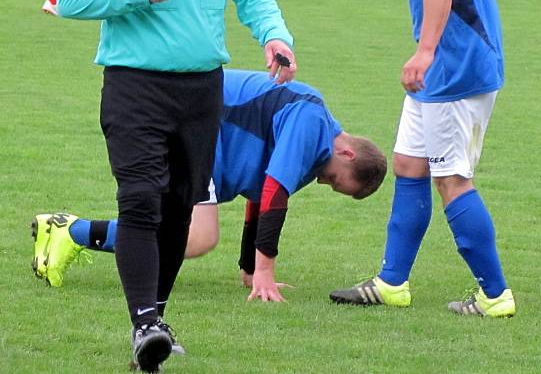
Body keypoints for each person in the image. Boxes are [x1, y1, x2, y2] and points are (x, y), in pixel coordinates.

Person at [56, 0, 297, 373]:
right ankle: (144, 324)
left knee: (179, 210)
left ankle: (156, 316)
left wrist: (275, 37)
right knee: (140, 199)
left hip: (201, 91)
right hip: (134, 86)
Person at [328, 0, 515, 318]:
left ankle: (495, 296)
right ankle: (392, 282)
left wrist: (426, 50)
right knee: (409, 164)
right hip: (445, 66)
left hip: (455, 67)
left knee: (451, 178)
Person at [31, 70, 387, 301]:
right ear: (348, 153)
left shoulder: (317, 151)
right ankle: (71, 231)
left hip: (199, 137)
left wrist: (250, 270)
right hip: (190, 124)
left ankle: (68, 230)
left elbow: (260, 198)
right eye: (336, 180)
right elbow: (274, 194)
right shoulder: (312, 122)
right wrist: (265, 272)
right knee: (198, 236)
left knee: (176, 229)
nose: (326, 183)